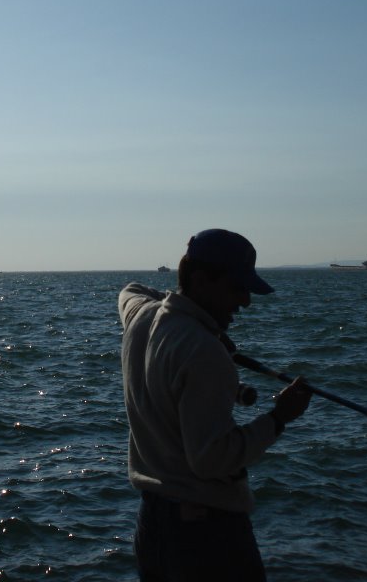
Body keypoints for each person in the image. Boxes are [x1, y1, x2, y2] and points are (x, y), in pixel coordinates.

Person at [120, 229, 312, 581]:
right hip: (206, 539)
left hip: (153, 528)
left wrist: (186, 311)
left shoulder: (141, 316)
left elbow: (129, 291)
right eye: (236, 288)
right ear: (200, 280)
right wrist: (279, 418)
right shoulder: (205, 353)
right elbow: (211, 460)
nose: (245, 301)